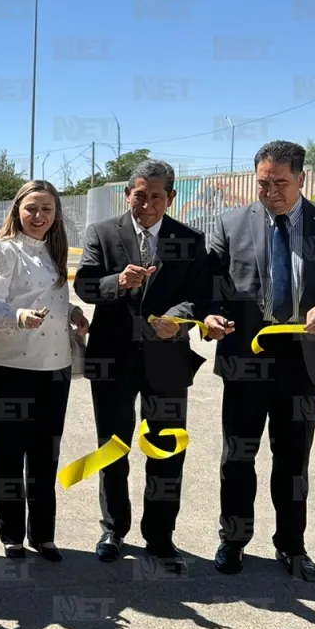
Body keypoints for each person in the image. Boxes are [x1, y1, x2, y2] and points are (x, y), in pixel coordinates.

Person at [205, 140, 315, 581]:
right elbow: (210, 286)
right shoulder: (231, 223)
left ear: (301, 178)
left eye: (280, 182)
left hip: (303, 359)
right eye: (263, 183)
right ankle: (233, 540)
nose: (270, 191)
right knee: (237, 456)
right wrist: (208, 314)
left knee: (293, 460)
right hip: (246, 356)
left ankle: (292, 546)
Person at [74, 160, 218, 575]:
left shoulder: (189, 239)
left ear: (170, 198)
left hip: (168, 360)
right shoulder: (103, 233)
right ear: (128, 194)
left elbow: (201, 296)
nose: (148, 204)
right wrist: (117, 282)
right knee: (112, 448)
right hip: (112, 358)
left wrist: (177, 313)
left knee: (166, 449)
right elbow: (85, 286)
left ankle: (160, 536)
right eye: (140, 195)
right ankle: (113, 529)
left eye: (157, 196)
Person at [0, 180, 88, 562]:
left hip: (54, 369)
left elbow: (55, 298)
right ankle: (11, 534)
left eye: (46, 209)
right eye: (31, 209)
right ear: (17, 211)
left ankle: (44, 535)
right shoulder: (2, 251)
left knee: (46, 456)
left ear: (56, 214)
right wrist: (18, 316)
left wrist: (72, 312)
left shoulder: (55, 250)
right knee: (8, 455)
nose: (38, 217)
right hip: (8, 367)